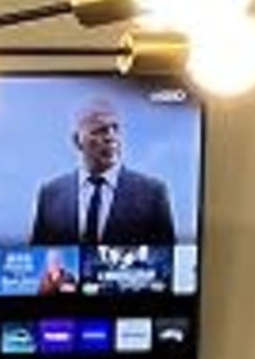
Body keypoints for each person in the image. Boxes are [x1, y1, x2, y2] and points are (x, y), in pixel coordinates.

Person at [28, 99, 176, 248]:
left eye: (115, 129)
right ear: (77, 141)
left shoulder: (152, 193)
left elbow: (168, 257)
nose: (111, 138)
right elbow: (36, 255)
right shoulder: (50, 194)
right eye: (100, 131)